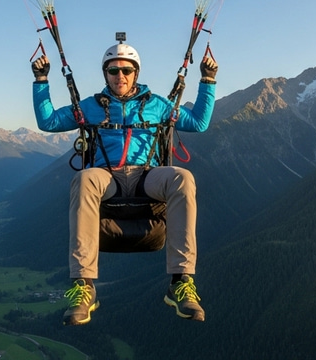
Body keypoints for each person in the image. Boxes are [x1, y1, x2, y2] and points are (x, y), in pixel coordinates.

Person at [32, 40, 217, 325]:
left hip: (148, 176)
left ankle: (181, 282)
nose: (120, 76)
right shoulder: (91, 106)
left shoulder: (157, 105)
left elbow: (198, 123)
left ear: (136, 73)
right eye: (113, 70)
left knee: (183, 178)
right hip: (107, 178)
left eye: (126, 70)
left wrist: (208, 80)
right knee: (83, 179)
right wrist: (41, 80)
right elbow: (49, 122)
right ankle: (84, 286)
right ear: (105, 74)